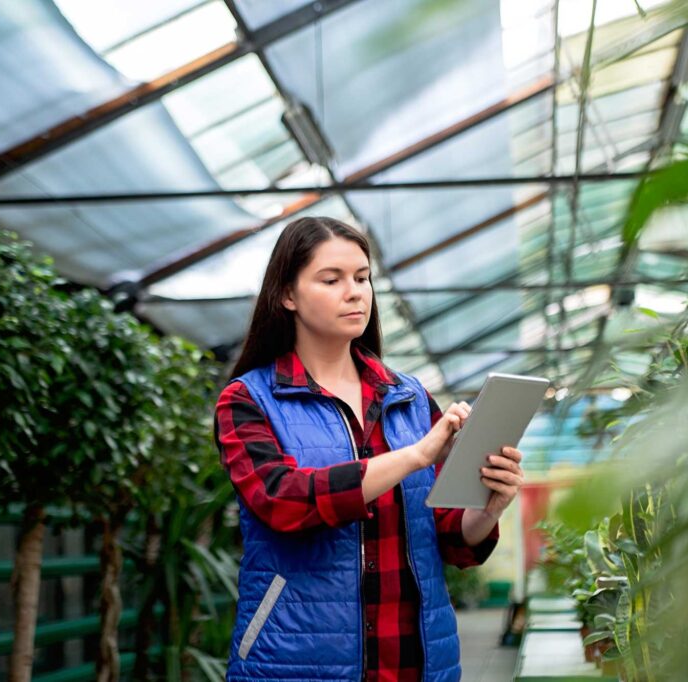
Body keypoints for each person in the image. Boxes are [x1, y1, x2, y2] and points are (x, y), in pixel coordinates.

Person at [214, 216, 525, 681]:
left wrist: (488, 509)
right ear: (288, 295)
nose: (355, 291)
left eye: (362, 278)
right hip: (298, 662)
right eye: (331, 279)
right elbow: (284, 500)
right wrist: (414, 457)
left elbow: (446, 533)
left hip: (417, 661)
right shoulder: (247, 400)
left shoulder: (411, 399)